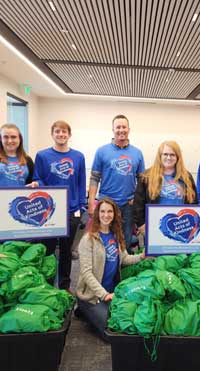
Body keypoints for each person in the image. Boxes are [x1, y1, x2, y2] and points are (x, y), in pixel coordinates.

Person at [76, 197, 144, 341]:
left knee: (125, 320)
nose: (106, 215)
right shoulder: (88, 239)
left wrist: (141, 257)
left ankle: (90, 313)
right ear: (97, 214)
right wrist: (104, 295)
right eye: (102, 211)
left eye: (109, 211)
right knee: (111, 331)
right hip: (93, 296)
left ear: (114, 214)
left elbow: (124, 259)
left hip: (111, 292)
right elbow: (86, 273)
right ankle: (83, 308)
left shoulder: (116, 235)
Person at [30, 120, 86, 291]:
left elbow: (81, 182)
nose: (61, 134)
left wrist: (81, 205)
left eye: (64, 132)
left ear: (69, 135)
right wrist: (37, 184)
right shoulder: (42, 156)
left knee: (66, 252)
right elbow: (38, 177)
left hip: (71, 210)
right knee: (47, 250)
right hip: (49, 212)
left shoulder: (78, 157)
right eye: (57, 131)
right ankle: (46, 285)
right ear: (52, 134)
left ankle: (64, 285)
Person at [88, 114, 145, 252]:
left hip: (128, 206)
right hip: (106, 204)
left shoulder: (137, 153)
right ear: (113, 129)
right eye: (118, 127)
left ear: (129, 129)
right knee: (104, 239)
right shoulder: (102, 151)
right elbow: (94, 178)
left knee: (124, 240)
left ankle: (122, 270)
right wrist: (91, 203)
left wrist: (135, 199)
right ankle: (105, 270)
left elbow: (142, 181)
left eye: (124, 127)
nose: (121, 130)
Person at [134, 141, 197, 233]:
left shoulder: (186, 177)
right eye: (165, 154)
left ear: (177, 157)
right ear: (160, 156)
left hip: (181, 227)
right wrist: (142, 225)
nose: (168, 157)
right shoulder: (146, 177)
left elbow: (194, 202)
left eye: (172, 155)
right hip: (154, 227)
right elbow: (138, 205)